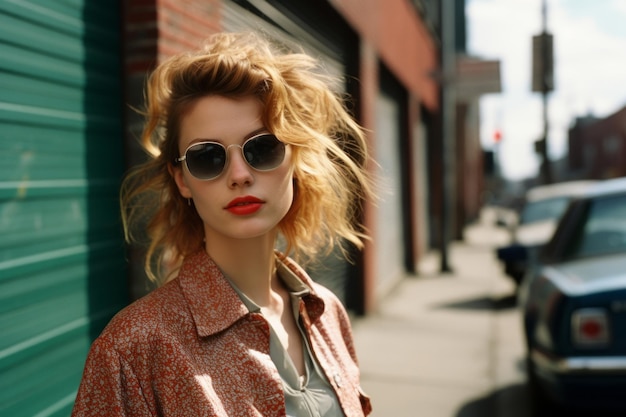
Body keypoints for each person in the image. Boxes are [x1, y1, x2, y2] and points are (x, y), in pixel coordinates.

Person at [71, 31, 374, 416]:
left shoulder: (327, 311)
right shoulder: (133, 348)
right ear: (182, 180)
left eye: (262, 148)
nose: (239, 175)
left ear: (295, 158)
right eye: (207, 157)